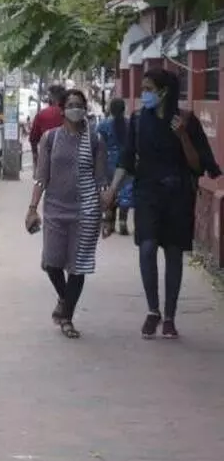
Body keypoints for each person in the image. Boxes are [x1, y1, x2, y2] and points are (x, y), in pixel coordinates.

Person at [105, 69, 221, 339]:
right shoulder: (137, 121)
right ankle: (153, 310)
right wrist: (112, 190)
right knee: (146, 248)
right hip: (146, 193)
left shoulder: (187, 121)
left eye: (148, 88)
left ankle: (169, 316)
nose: (144, 93)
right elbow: (126, 159)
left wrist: (182, 136)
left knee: (173, 254)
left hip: (178, 194)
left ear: (164, 91)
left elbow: (197, 166)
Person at [26, 89, 109, 339]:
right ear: (62, 109)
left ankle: (68, 317)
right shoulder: (50, 139)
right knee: (51, 264)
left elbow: (101, 180)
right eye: (71, 105)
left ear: (85, 109)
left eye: (80, 105)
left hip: (86, 211)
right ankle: (64, 299)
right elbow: (41, 177)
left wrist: (107, 215)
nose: (76, 109)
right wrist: (32, 209)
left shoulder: (95, 140)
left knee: (77, 267)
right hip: (54, 211)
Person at [96, 97, 134, 234]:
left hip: (109, 163)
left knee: (111, 190)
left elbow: (98, 145)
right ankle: (123, 221)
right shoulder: (130, 124)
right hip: (126, 163)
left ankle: (110, 221)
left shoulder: (103, 125)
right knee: (125, 192)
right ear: (124, 109)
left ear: (110, 109)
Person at [28, 83, 66, 164]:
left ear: (52, 97)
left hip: (46, 159)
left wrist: (35, 156)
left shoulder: (42, 114)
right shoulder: (69, 114)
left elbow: (33, 139)